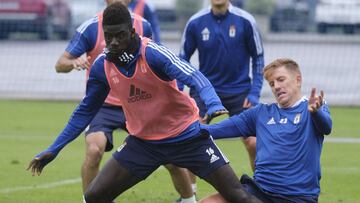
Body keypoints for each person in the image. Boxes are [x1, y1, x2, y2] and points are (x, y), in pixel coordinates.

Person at [27, 3, 261, 203]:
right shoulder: (102, 66)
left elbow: (193, 75)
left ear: (131, 31)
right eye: (109, 36)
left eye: (120, 35)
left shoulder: (153, 53)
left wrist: (212, 103)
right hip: (143, 144)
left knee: (238, 196)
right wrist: (54, 149)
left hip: (187, 137)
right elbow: (84, 112)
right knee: (93, 197)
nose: (114, 42)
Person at [199, 58, 333, 203]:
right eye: (272, 84)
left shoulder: (315, 108)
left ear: (298, 80)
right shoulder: (261, 113)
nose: (276, 86)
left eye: (281, 79)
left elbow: (326, 127)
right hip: (259, 192)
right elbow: (218, 129)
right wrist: (188, 129)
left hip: (298, 197)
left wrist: (315, 112)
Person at [177, 0, 265, 195]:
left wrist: (255, 92)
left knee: (253, 142)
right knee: (191, 139)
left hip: (240, 91)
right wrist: (178, 89)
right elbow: (181, 59)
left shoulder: (245, 21)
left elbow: (258, 56)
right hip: (204, 91)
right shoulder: (195, 22)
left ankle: (262, 190)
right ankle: (190, 196)